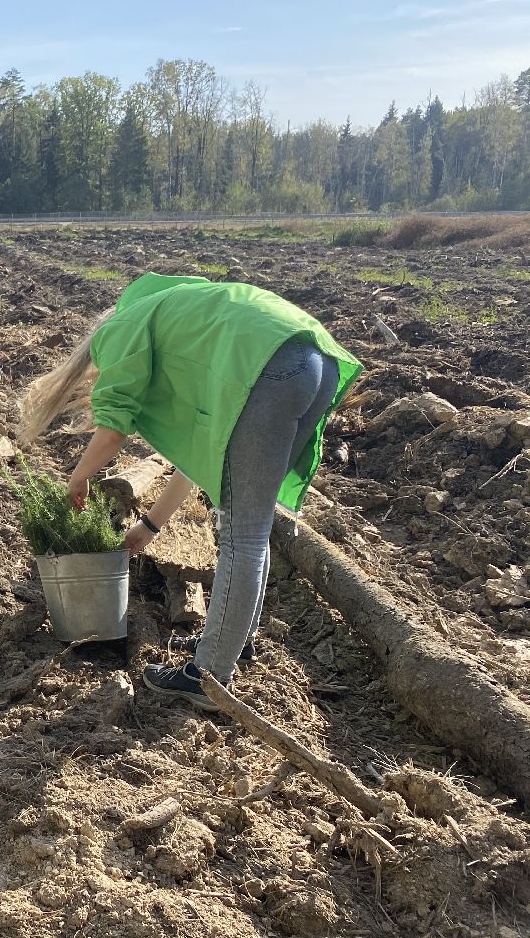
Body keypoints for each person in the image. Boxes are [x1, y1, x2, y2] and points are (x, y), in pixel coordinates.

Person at [20, 272, 363, 710]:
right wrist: (149, 526)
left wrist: (77, 477)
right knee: (251, 523)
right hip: (317, 360)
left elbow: (111, 431)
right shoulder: (184, 316)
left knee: (243, 534)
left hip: (271, 369)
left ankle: (208, 678)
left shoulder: (123, 328)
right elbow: (202, 457)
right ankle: (236, 643)